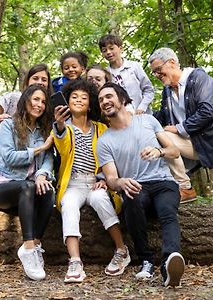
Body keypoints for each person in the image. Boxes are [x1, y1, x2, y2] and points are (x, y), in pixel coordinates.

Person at [149, 47, 213, 262]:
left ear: (172, 62)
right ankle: (185, 187)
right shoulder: (166, 92)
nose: (157, 76)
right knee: (160, 135)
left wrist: (179, 128)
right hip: (193, 145)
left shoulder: (199, 79)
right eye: (154, 73)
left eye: (158, 70)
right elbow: (162, 117)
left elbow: (207, 111)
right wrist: (139, 117)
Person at [97, 82, 185, 287]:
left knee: (167, 212)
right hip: (136, 186)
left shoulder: (148, 120)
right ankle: (146, 260)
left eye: (109, 96)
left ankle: (170, 263)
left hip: (163, 182)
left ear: (122, 99)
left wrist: (159, 151)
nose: (104, 102)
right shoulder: (104, 140)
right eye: (101, 100)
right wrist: (120, 181)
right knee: (131, 198)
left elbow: (174, 151)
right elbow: (110, 179)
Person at [53, 79, 130, 283]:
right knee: (68, 204)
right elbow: (61, 146)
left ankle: (122, 250)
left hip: (96, 182)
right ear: (67, 102)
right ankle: (75, 262)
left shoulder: (101, 128)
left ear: (90, 103)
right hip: (73, 184)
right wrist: (59, 125)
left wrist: (104, 178)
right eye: (74, 97)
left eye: (84, 98)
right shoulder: (65, 129)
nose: (78, 100)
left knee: (100, 199)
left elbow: (110, 156)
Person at [0, 84, 55, 281]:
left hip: (29, 190)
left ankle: (35, 245)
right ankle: (27, 248)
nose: (39, 105)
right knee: (27, 186)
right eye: (35, 99)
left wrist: (43, 174)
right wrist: (39, 149)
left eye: (43, 101)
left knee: (47, 190)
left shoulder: (44, 129)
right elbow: (9, 157)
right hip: (3, 188)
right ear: (25, 100)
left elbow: (49, 158)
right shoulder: (8, 125)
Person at [0, 63, 52, 209]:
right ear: (27, 81)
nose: (40, 82)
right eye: (35, 78)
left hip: (19, 152)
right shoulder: (12, 98)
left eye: (44, 79)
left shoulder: (43, 107)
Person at [98, 34, 154, 114]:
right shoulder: (106, 73)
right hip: (121, 119)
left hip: (143, 115)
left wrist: (142, 107)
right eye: (104, 50)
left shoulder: (134, 66)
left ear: (120, 49)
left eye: (111, 48)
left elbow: (148, 90)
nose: (108, 52)